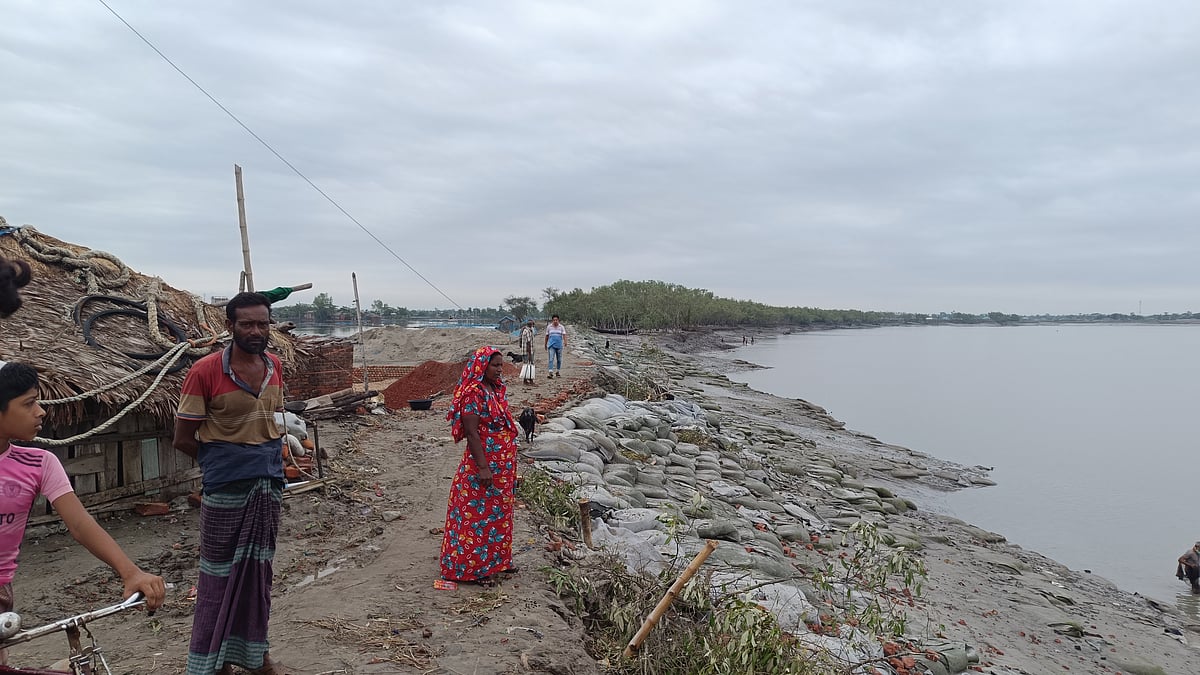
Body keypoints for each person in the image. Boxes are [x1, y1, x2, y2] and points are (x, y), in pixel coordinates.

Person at [0, 361, 165, 664]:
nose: (41, 411)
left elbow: (79, 523)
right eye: (29, 403)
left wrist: (130, 572)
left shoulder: (39, 463)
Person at [174, 292, 289, 675]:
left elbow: (269, 422)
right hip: (225, 489)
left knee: (258, 574)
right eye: (247, 324)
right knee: (218, 577)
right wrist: (224, 465)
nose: (256, 331)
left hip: (267, 486)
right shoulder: (205, 371)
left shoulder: (274, 365)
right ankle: (213, 663)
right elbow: (183, 439)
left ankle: (256, 656)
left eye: (262, 323)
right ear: (230, 327)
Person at [440, 346, 519, 586]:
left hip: (501, 467)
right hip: (482, 467)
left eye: (500, 365)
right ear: (481, 366)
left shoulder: (494, 390)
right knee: (476, 517)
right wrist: (484, 467)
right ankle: (473, 570)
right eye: (494, 365)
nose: (499, 370)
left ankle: (497, 562)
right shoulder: (473, 393)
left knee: (498, 515)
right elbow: (473, 434)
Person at [545, 314, 566, 379]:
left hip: (559, 345)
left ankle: (558, 371)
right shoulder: (549, 327)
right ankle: (550, 372)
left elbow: (564, 335)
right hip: (551, 345)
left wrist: (565, 341)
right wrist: (545, 344)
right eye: (554, 320)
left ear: (558, 320)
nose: (555, 321)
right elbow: (547, 336)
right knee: (551, 359)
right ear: (552, 320)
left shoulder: (561, 327)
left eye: (556, 320)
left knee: (559, 359)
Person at [519, 320, 536, 385]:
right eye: (533, 324)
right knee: (530, 365)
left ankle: (526, 380)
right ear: (531, 325)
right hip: (528, 351)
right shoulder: (527, 331)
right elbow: (528, 342)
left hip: (526, 351)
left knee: (526, 365)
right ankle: (530, 379)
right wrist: (529, 353)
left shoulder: (526, 330)